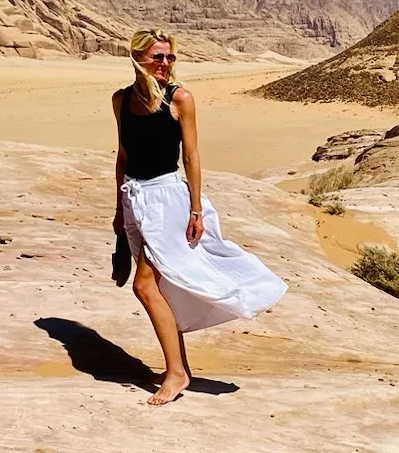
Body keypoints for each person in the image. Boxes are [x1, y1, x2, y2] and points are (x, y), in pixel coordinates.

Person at [112, 28, 287, 404]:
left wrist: (195, 208)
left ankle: (176, 373)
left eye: (170, 57)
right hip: (136, 199)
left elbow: (191, 156)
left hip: (168, 201)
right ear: (137, 57)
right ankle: (179, 367)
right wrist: (117, 209)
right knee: (159, 287)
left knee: (144, 285)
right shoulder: (121, 100)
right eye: (158, 56)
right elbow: (123, 154)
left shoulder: (180, 99)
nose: (164, 64)